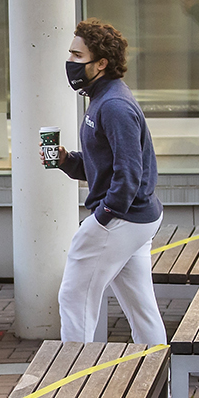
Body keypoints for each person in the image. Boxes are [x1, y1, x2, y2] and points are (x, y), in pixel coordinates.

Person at [49, 19, 166, 346]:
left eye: (77, 55)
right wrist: (68, 161)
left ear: (101, 63)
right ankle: (159, 385)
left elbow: (129, 173)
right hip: (136, 218)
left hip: (121, 218)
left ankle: (72, 382)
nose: (70, 62)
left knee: (74, 298)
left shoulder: (113, 106)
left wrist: (102, 218)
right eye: (70, 54)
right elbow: (108, 166)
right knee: (141, 309)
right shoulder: (103, 98)